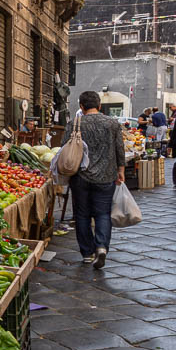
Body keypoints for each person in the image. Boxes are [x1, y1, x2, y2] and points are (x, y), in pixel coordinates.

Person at [60, 90, 126, 270]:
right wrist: (121, 169)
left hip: (80, 176)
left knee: (82, 214)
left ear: (81, 106)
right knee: (103, 213)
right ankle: (102, 247)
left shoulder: (74, 123)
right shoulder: (112, 123)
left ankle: (87, 254)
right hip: (106, 176)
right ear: (99, 105)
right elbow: (120, 148)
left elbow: (64, 148)